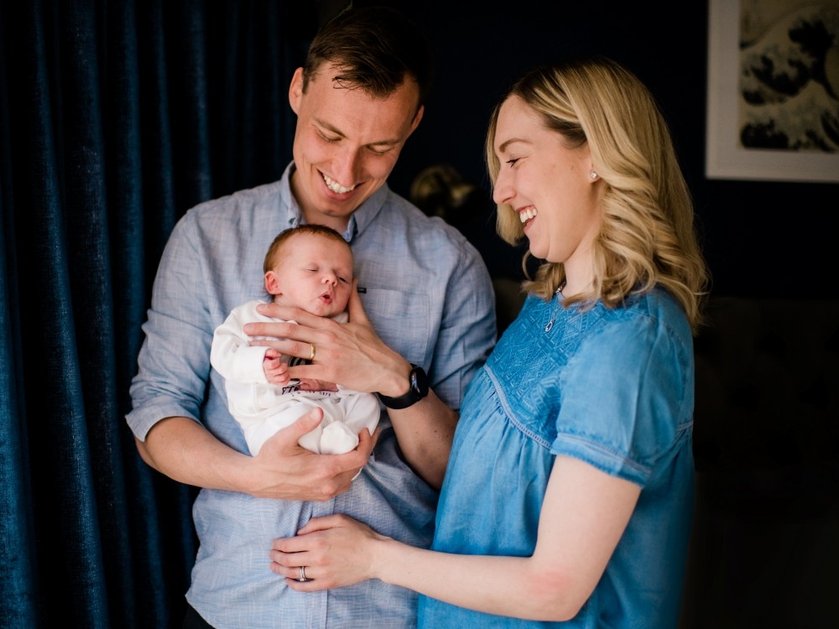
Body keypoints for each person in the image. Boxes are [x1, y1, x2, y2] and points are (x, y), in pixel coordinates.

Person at [269, 57, 710, 629]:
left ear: (597, 154)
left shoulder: (630, 341)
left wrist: (374, 557)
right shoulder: (550, 304)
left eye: (515, 158)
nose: (500, 189)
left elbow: (553, 590)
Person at [126, 5, 496, 628]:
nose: (345, 173)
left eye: (379, 147)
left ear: (414, 125)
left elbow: (467, 473)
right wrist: (257, 476)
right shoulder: (206, 237)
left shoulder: (451, 264)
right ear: (298, 90)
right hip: (236, 607)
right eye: (329, 134)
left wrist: (393, 378)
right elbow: (155, 415)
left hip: (389, 613)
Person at [210, 225, 380, 457]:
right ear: (274, 283)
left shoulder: (343, 327)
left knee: (369, 403)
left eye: (342, 278)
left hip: (330, 406)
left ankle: (341, 441)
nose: (331, 279)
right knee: (297, 416)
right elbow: (222, 353)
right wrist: (259, 363)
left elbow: (359, 372)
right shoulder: (252, 316)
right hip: (274, 413)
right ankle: (326, 446)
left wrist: (334, 384)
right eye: (312, 269)